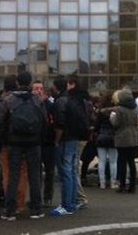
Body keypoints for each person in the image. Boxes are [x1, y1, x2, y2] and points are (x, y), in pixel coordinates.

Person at [0, 71, 46, 221]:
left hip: (14, 142)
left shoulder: (9, 100)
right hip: (33, 141)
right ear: (30, 82)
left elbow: (3, 123)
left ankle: (10, 210)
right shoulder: (37, 100)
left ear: (18, 82)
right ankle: (36, 209)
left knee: (13, 175)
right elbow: (44, 121)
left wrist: (4, 139)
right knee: (34, 175)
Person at [50, 75, 89, 216]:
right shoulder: (74, 99)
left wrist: (56, 140)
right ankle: (72, 203)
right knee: (72, 170)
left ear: (56, 86)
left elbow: (59, 124)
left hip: (65, 139)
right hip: (75, 138)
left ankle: (66, 204)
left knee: (65, 171)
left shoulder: (60, 101)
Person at [110, 89, 138, 194]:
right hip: (133, 136)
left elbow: (116, 123)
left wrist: (112, 117)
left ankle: (122, 185)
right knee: (131, 162)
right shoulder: (135, 108)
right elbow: (136, 122)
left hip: (122, 137)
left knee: (121, 162)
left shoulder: (119, 109)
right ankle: (132, 186)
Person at [32, 80, 55, 206]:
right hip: (35, 142)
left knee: (50, 171)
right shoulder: (30, 104)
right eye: (36, 88)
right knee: (36, 172)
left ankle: (48, 197)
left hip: (48, 143)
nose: (38, 91)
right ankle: (36, 197)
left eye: (40, 88)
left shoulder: (50, 105)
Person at [93, 93, 117, 188]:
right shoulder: (116, 111)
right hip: (113, 137)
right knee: (113, 161)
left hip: (102, 136)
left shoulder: (100, 112)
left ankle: (102, 182)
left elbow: (96, 125)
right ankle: (112, 182)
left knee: (101, 161)